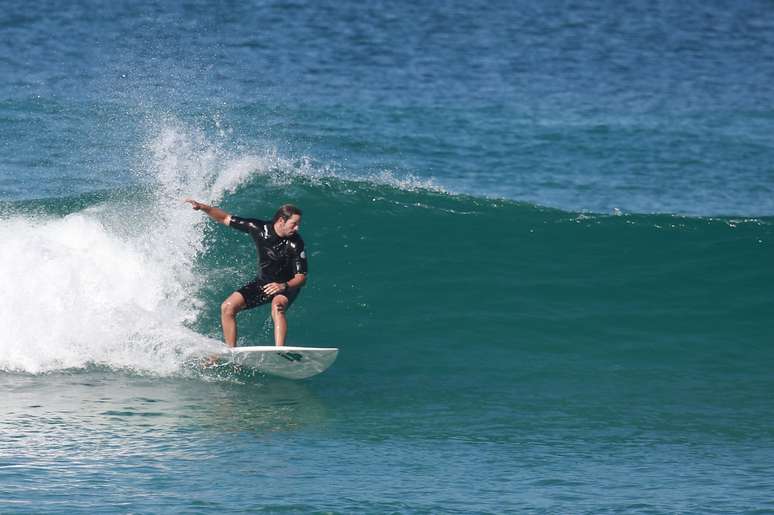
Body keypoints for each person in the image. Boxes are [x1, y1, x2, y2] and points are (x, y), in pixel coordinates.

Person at [185, 199, 308, 347]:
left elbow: (301, 278)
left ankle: (279, 350)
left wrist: (283, 286)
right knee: (227, 307)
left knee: (278, 305)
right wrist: (203, 208)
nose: (297, 228)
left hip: (286, 286)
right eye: (294, 224)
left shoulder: (295, 243)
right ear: (281, 220)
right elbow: (225, 218)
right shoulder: (258, 228)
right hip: (264, 283)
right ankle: (231, 351)